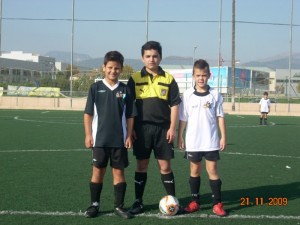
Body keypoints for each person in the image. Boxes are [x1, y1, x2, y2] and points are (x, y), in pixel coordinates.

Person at [127, 41, 181, 214]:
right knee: (141, 165)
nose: (152, 59)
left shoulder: (169, 79)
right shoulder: (134, 78)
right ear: (142, 58)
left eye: (155, 56)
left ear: (160, 57)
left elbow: (174, 106)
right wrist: (131, 129)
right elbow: (129, 106)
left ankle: (173, 200)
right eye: (148, 56)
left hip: (163, 130)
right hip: (141, 130)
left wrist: (173, 128)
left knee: (165, 167)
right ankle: (138, 202)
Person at [83, 51, 137, 219]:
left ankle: (119, 207)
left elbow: (130, 115)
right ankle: (94, 205)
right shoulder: (95, 88)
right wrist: (88, 135)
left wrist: (128, 135)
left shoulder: (124, 89)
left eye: (117, 68)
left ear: (121, 69)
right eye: (110, 67)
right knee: (98, 173)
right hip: (99, 140)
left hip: (119, 141)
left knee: (118, 174)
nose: (113, 71)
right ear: (104, 67)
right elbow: (88, 114)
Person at [178, 59, 227, 217]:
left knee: (212, 169)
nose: (201, 78)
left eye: (204, 75)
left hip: (211, 140)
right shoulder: (187, 95)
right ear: (193, 76)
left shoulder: (215, 94)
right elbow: (183, 118)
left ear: (209, 76)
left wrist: (223, 137)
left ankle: (217, 203)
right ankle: (195, 201)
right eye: (198, 75)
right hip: (193, 141)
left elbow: (220, 117)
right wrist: (180, 137)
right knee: (195, 170)